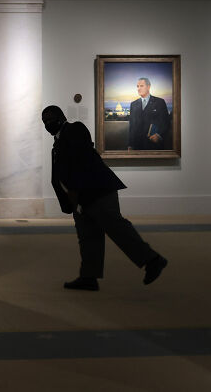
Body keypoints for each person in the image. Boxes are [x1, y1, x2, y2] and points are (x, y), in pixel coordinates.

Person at [42, 105, 167, 290]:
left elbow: (81, 159)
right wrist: (71, 200)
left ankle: (153, 260)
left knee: (117, 228)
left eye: (51, 119)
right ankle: (88, 276)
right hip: (80, 197)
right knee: (87, 236)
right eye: (44, 121)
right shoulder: (57, 142)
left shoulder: (75, 129)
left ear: (61, 117)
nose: (48, 123)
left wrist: (76, 191)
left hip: (96, 191)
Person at [128, 77, 170, 150]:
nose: (139, 88)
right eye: (137, 86)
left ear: (148, 87)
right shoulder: (133, 104)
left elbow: (166, 122)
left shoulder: (160, 102)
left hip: (154, 145)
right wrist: (130, 145)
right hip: (137, 146)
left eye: (141, 86)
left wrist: (158, 135)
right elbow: (131, 126)